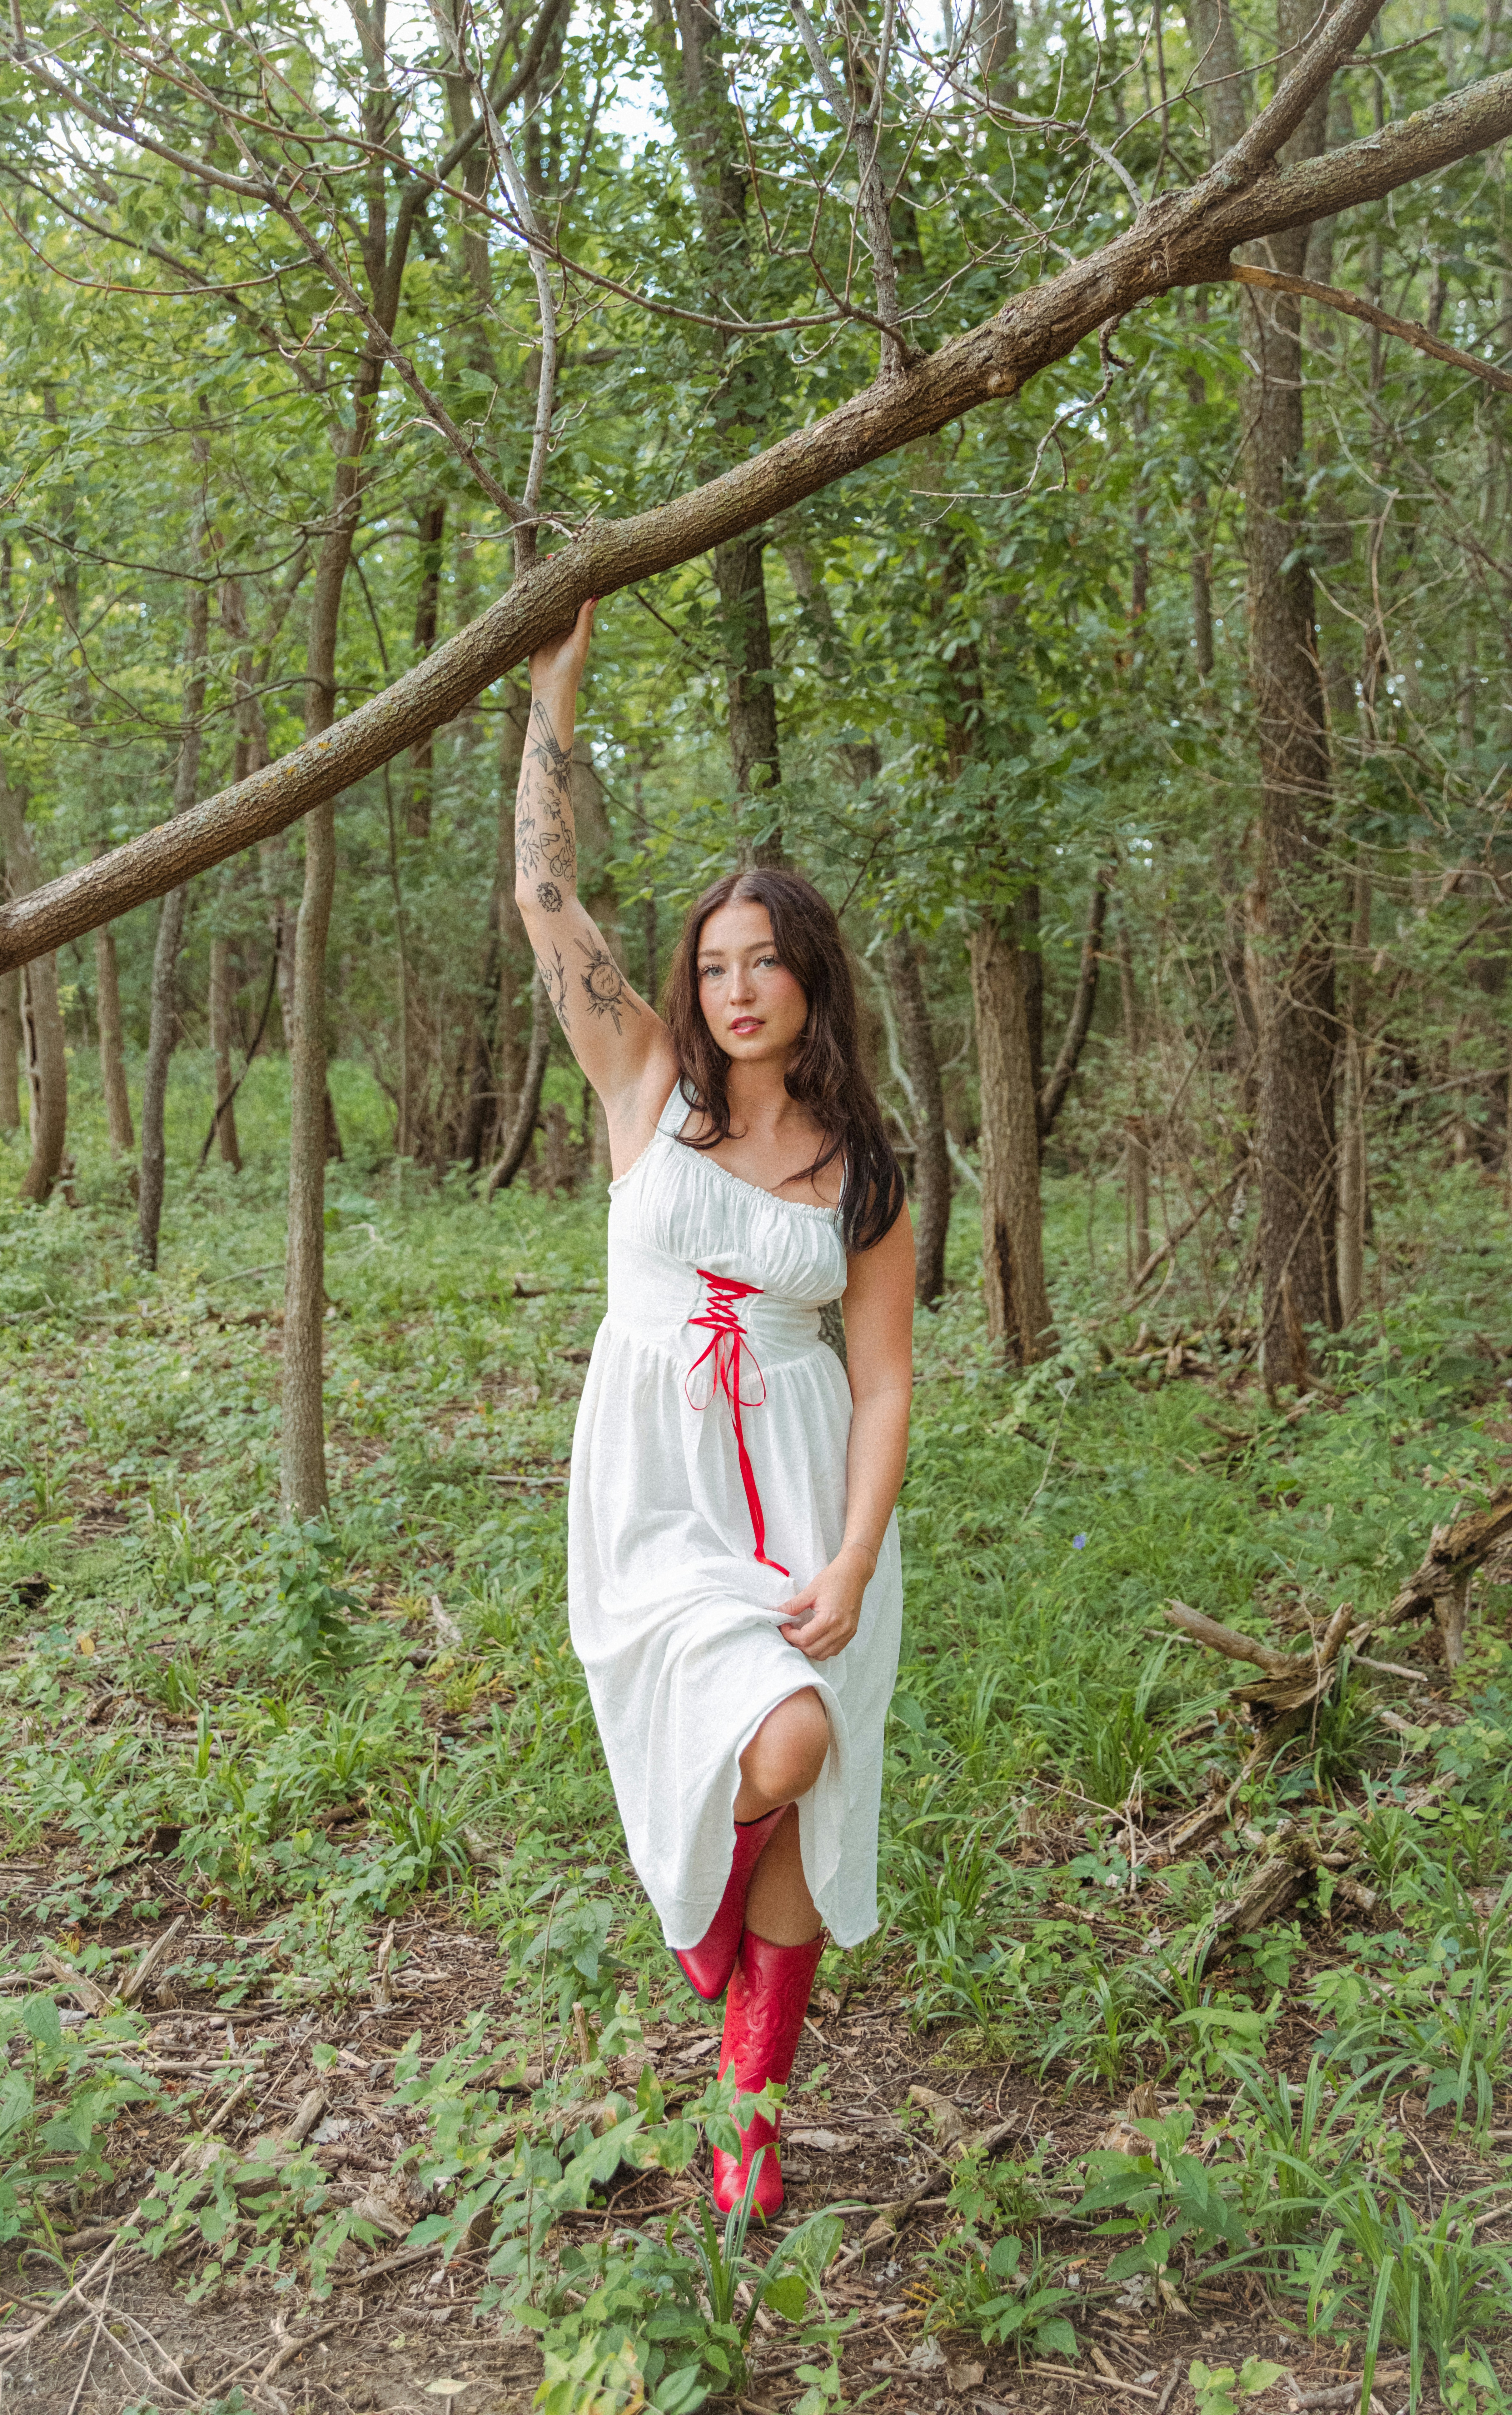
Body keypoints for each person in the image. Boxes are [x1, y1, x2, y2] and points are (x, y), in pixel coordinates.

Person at [511, 600, 914, 2220]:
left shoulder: (865, 1169)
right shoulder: (644, 1088)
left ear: (811, 979)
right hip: (659, 1490)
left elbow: (885, 1376)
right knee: (781, 1742)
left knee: (813, 1831)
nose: (738, 987)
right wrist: (557, 688)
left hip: (810, 1499)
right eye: (717, 962)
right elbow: (546, 895)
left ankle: (748, 2137)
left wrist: (857, 1558)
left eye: (767, 963)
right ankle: (694, 1913)